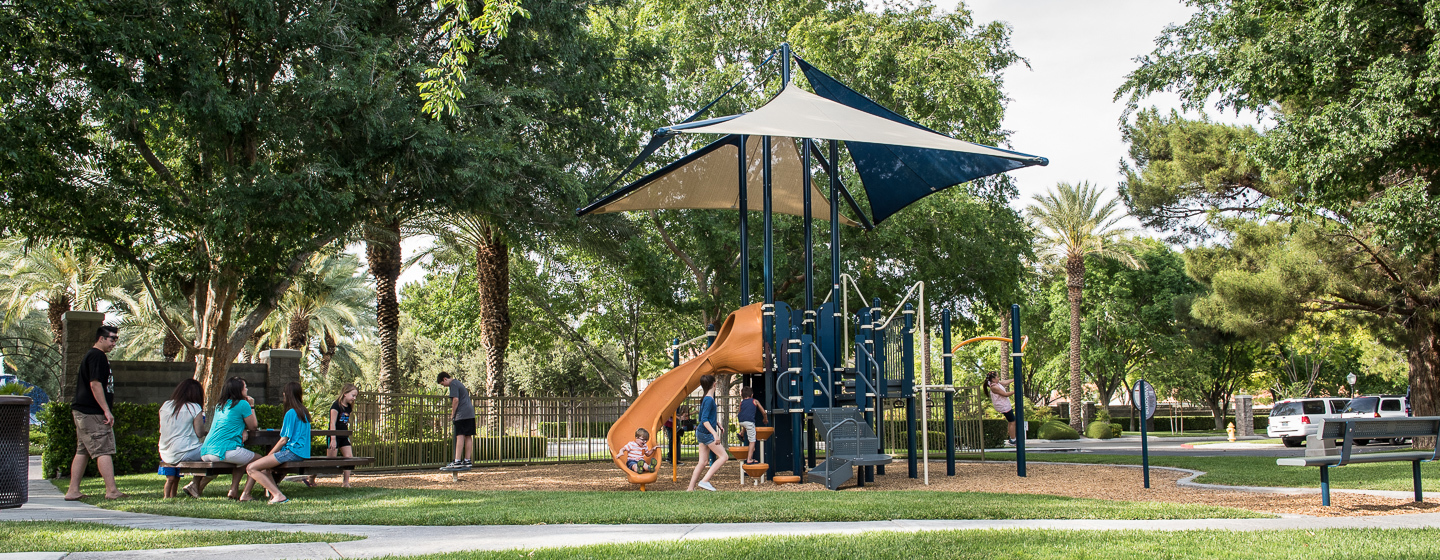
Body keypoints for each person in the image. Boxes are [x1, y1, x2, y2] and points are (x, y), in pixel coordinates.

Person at [65, 325, 125, 501]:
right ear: (101, 338)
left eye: (116, 339)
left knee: (82, 451)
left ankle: (73, 491)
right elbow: (95, 384)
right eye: (112, 339)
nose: (114, 343)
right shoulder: (97, 356)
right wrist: (106, 410)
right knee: (103, 449)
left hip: (84, 412)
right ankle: (112, 491)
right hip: (92, 412)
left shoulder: (96, 356)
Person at [242, 382, 311, 504]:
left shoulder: (291, 413)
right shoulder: (303, 412)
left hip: (292, 452)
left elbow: (283, 440)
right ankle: (269, 495)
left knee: (251, 468)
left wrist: (270, 454)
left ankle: (278, 495)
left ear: (286, 395)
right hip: (301, 453)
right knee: (265, 469)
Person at [200, 376, 259, 500]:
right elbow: (253, 426)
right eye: (245, 387)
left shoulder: (220, 405)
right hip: (224, 450)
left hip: (206, 451)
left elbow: (228, 422)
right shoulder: (243, 404)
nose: (247, 390)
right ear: (239, 390)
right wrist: (252, 405)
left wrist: (242, 429)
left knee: (241, 460)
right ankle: (246, 494)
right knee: (259, 461)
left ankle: (233, 491)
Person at [158, 378, 212, 498]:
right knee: (216, 451)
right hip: (184, 451)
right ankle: (195, 484)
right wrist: (206, 432)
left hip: (164, 452)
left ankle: (191, 487)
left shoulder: (166, 405)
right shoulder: (194, 407)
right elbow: (199, 433)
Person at [309, 383, 358, 488]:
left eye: (355, 396)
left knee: (349, 457)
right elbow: (332, 423)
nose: (354, 398)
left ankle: (345, 482)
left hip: (343, 436)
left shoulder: (349, 407)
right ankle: (312, 476)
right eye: (353, 395)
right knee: (330, 461)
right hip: (334, 435)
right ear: (345, 393)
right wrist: (333, 439)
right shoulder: (336, 406)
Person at [687, 374, 727, 491]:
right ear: (714, 384)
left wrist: (717, 424)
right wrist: (714, 434)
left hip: (701, 432)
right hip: (706, 433)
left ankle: (690, 488)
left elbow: (704, 417)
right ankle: (704, 481)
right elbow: (704, 420)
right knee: (724, 457)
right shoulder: (709, 400)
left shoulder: (705, 398)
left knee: (703, 462)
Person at [437, 372, 474, 470]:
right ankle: (467, 460)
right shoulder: (458, 383)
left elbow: (455, 400)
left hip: (461, 413)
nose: (444, 386)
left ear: (445, 379)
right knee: (468, 435)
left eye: (442, 384)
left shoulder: (453, 384)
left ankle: (457, 460)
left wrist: (453, 414)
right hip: (470, 412)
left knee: (460, 435)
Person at [737, 386, 767, 465]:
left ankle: (742, 433)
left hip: (741, 420)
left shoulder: (741, 402)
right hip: (749, 422)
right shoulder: (755, 401)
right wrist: (765, 419)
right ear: (752, 395)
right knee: (752, 441)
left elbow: (740, 411)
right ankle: (749, 459)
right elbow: (763, 412)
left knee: (745, 424)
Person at [986, 371, 1017, 445]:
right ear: (993, 379)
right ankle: (1013, 439)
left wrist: (1013, 380)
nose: (998, 378)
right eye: (997, 377)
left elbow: (1004, 382)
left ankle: (1012, 438)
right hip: (1003, 406)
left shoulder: (996, 383)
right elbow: (1005, 394)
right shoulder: (994, 387)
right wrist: (1015, 391)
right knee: (1012, 422)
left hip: (1004, 405)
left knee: (1011, 421)